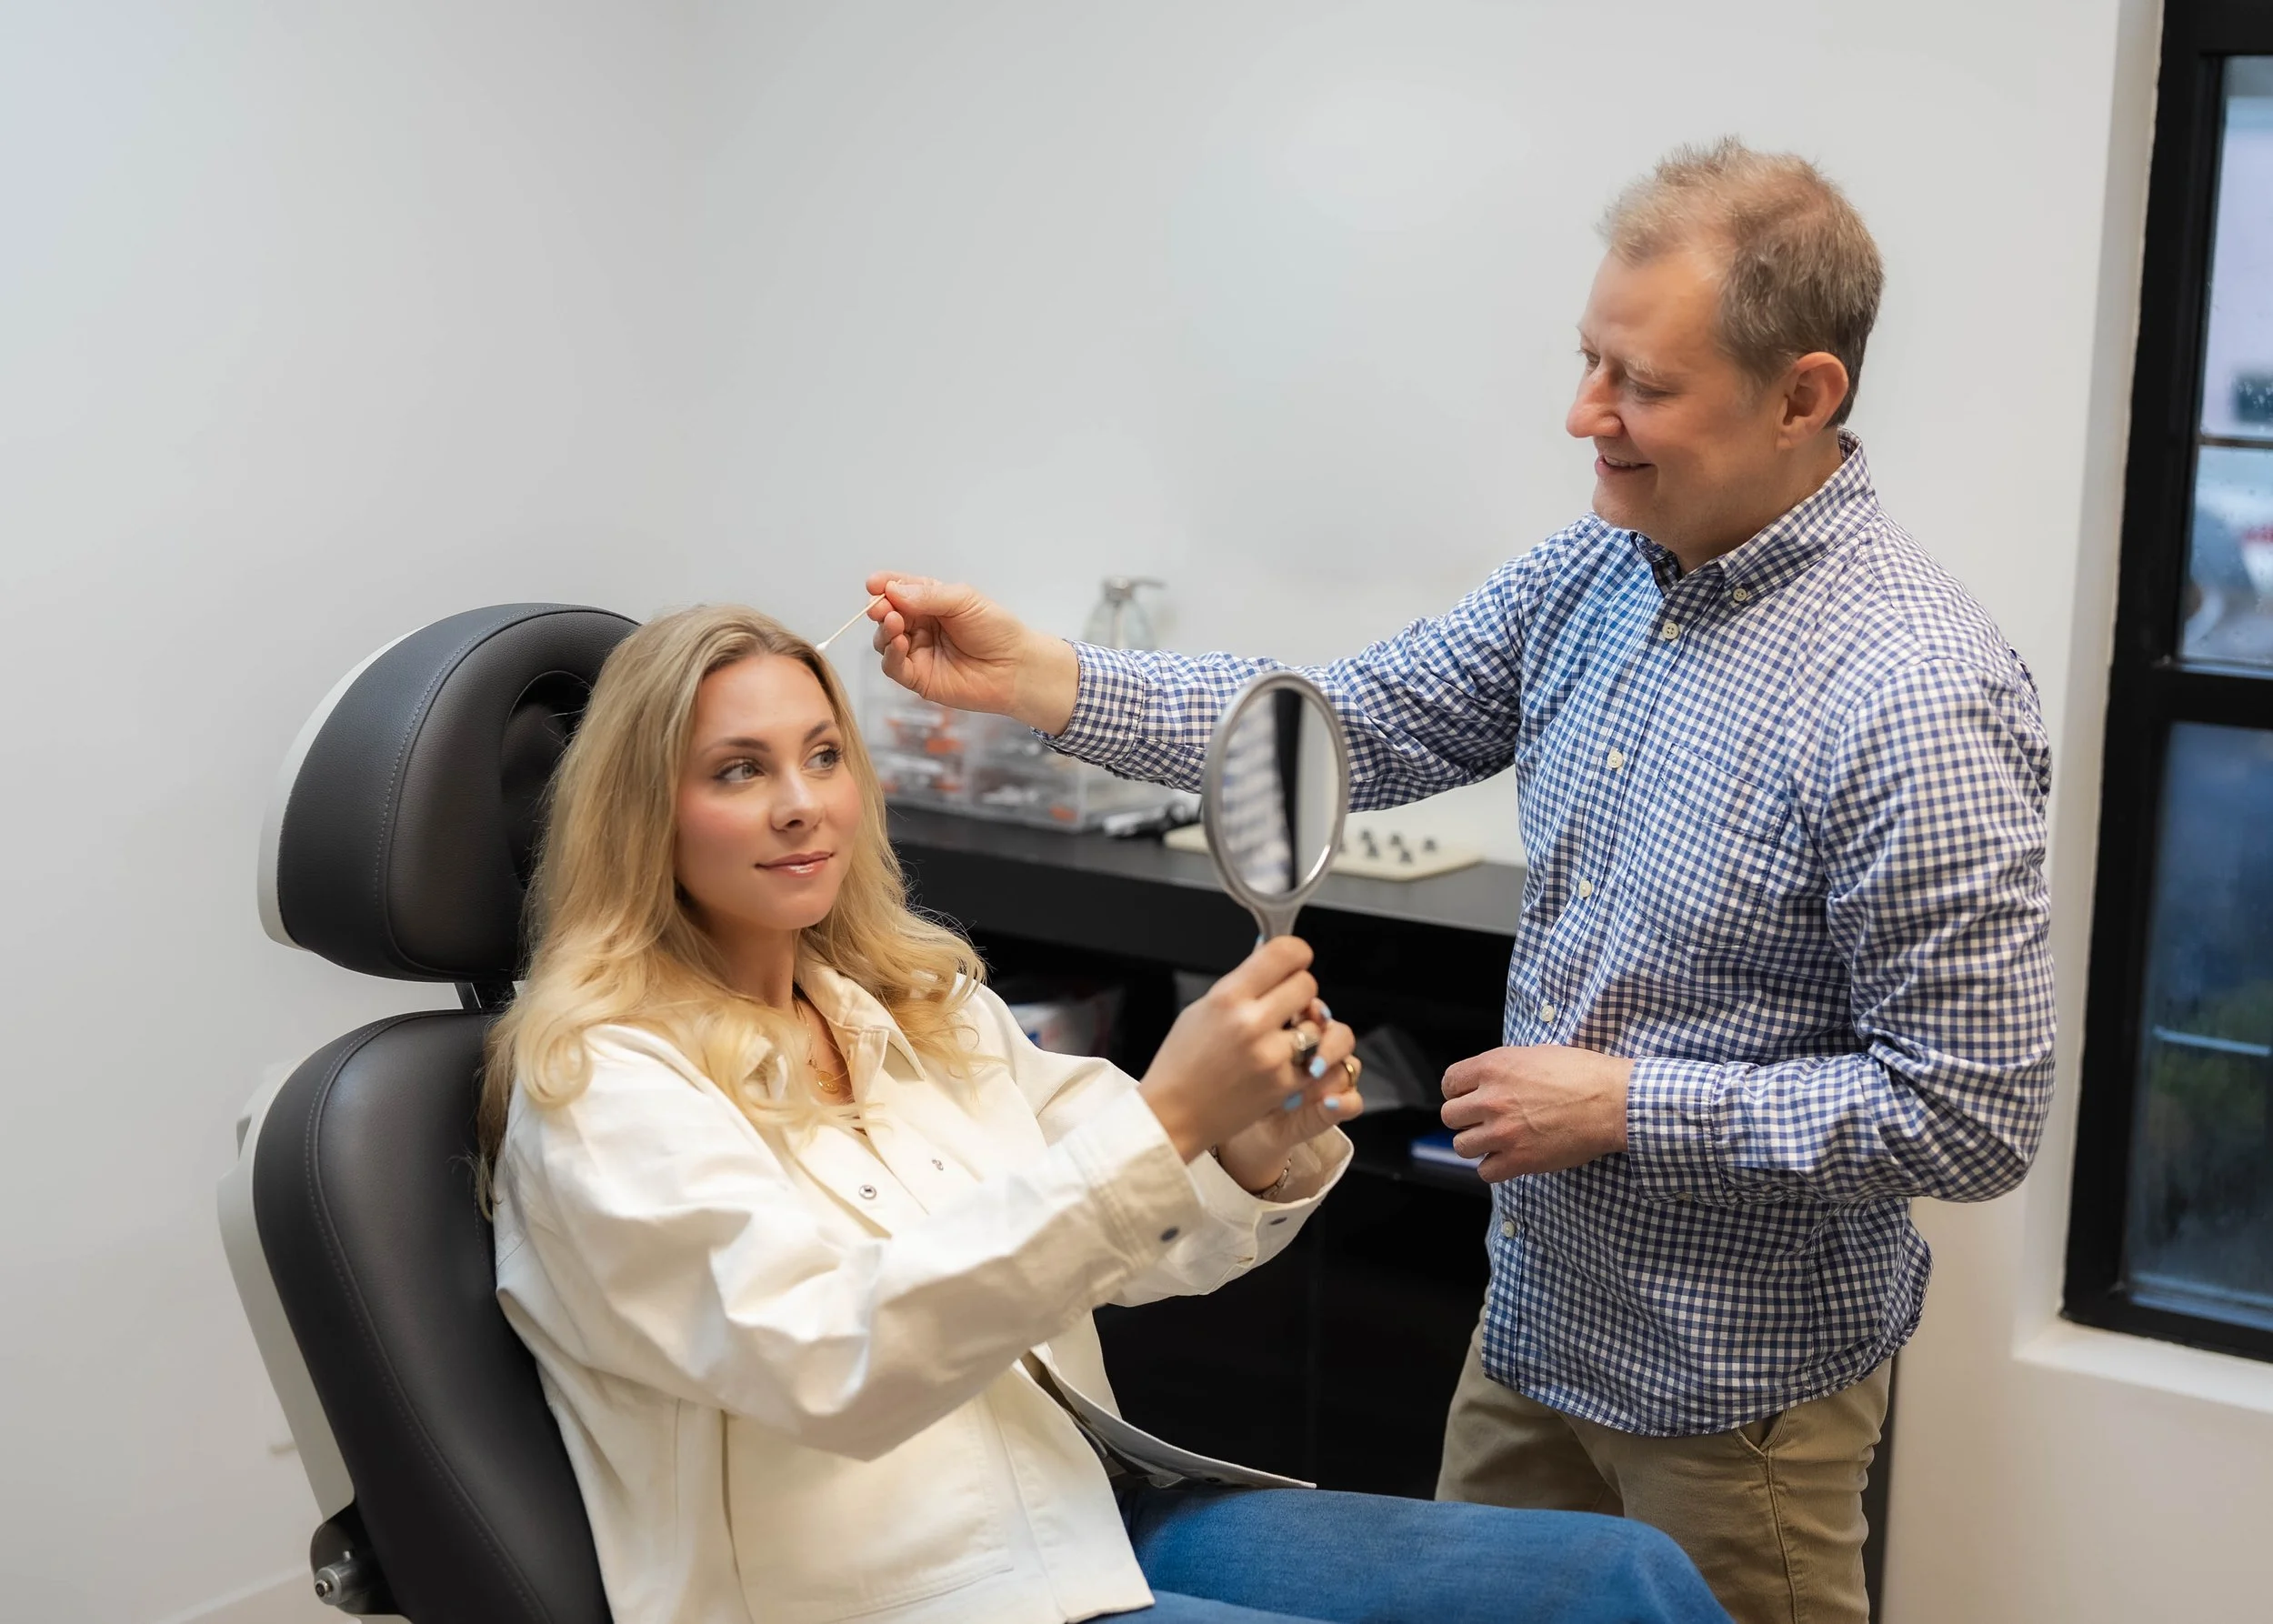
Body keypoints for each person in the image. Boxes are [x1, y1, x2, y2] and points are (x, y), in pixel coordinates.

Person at [863, 138, 2057, 1624]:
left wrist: (1624, 1104)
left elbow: (1974, 1113)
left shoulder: (1915, 692)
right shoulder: (1599, 576)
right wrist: (1043, 675)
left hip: (1736, 1404)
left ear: (1805, 396)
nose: (1586, 416)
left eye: (1643, 384)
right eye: (1587, 362)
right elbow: (1335, 723)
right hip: (1535, 1329)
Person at [480, 604, 1727, 1624]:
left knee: (1626, 1578)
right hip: (894, 1594)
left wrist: (1247, 1136)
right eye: (738, 770)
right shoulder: (602, 1087)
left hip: (1082, 1515)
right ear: (647, 813)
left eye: (821, 754)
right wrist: (1173, 1111)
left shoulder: (914, 1008)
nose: (801, 801)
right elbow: (834, 1358)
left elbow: (1133, 1225)